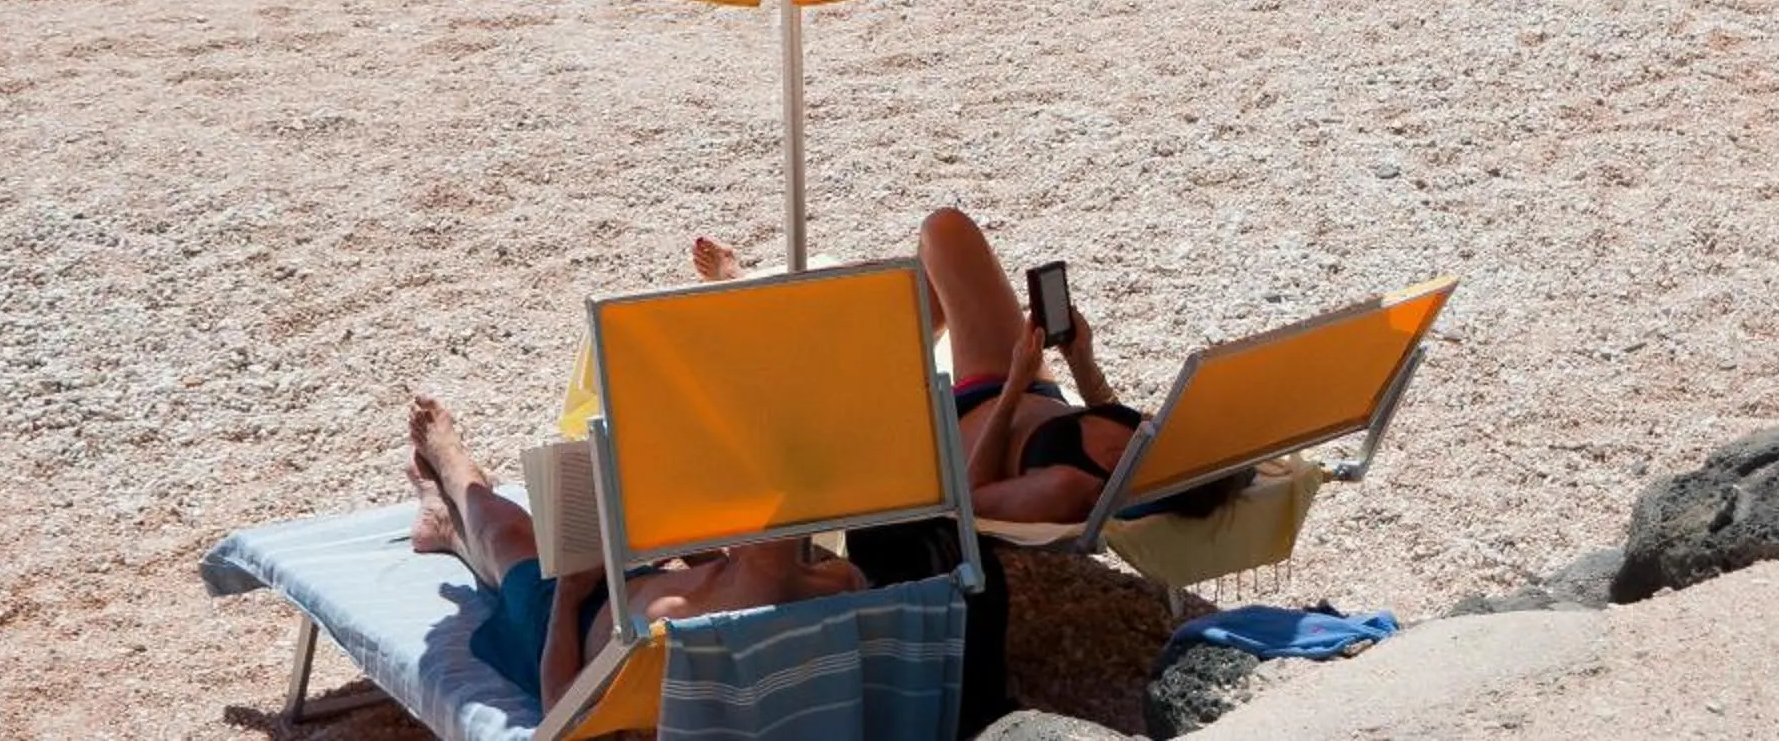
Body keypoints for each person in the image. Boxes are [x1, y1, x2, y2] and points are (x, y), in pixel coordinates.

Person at [404, 393, 867, 711]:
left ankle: (453, 468)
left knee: (508, 537)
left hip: (564, 627)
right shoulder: (835, 583)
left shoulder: (696, 633)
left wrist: (569, 593)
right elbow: (753, 567)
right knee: (538, 538)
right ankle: (447, 525)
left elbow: (561, 702)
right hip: (627, 590)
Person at [912, 206, 1246, 527]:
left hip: (968, 417)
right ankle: (909, 340)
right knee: (947, 231)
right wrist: (1081, 361)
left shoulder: (1069, 485)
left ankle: (899, 353)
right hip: (1024, 387)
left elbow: (973, 503)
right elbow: (1109, 412)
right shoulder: (1149, 442)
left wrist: (1015, 386)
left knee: (940, 244)